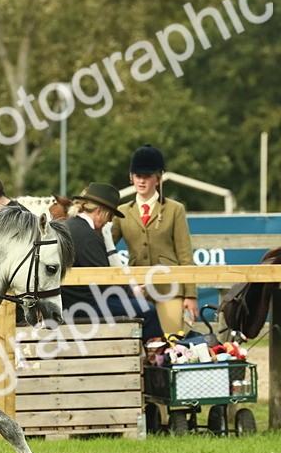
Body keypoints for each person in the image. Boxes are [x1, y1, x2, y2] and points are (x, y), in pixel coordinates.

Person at [60, 183, 163, 342]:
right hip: (84, 305)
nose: (108, 222)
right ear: (100, 211)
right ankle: (154, 353)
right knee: (147, 309)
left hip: (70, 302)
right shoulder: (88, 236)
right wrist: (133, 292)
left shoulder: (69, 226)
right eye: (110, 217)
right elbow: (105, 280)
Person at [112, 144, 197, 334]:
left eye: (147, 176)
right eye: (137, 176)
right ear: (131, 177)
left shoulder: (175, 209)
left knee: (172, 341)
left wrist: (190, 295)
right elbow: (106, 247)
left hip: (169, 288)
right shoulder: (121, 212)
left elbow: (185, 255)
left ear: (158, 178)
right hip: (137, 289)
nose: (141, 181)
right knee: (139, 344)